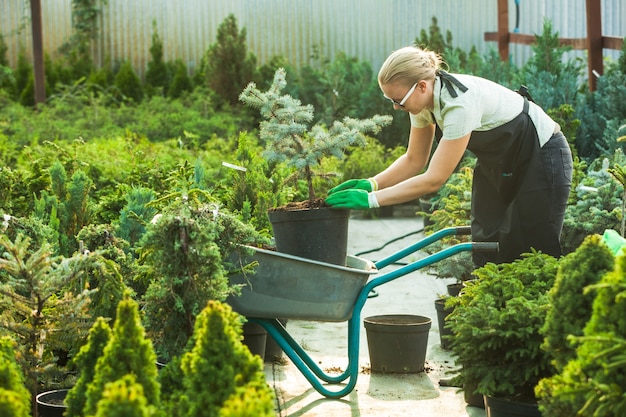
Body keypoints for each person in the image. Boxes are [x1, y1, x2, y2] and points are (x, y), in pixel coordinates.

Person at [326, 45, 573, 266]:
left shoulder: (459, 104)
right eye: (390, 99)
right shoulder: (423, 102)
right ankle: (489, 309)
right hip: (500, 163)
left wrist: (372, 200)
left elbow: (434, 179)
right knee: (486, 238)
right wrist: (373, 183)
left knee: (533, 247)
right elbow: (415, 160)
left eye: (398, 100)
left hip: (542, 156)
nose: (396, 107)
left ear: (422, 86)